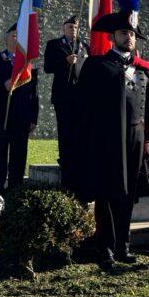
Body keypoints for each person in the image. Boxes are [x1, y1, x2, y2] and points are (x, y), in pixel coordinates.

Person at [75, 9, 149, 270]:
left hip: (134, 140)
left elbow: (148, 110)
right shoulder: (97, 66)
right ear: (113, 37)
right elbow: (82, 107)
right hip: (107, 140)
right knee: (107, 194)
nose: (129, 38)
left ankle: (123, 246)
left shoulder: (143, 72)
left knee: (128, 195)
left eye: (132, 34)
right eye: (124, 33)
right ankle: (105, 249)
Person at [0, 23, 39, 195]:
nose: (17, 38)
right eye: (13, 35)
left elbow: (34, 93)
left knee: (18, 159)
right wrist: (2, 85)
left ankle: (14, 195)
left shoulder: (29, 64)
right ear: (5, 39)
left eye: (20, 36)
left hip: (21, 118)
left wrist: (34, 118)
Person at [43, 15, 89, 190]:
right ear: (63, 28)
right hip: (63, 95)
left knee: (80, 129)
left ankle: (78, 159)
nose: (73, 29)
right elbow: (48, 67)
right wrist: (65, 61)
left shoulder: (84, 46)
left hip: (81, 96)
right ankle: (65, 160)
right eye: (70, 26)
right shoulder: (54, 45)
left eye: (75, 27)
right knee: (65, 129)